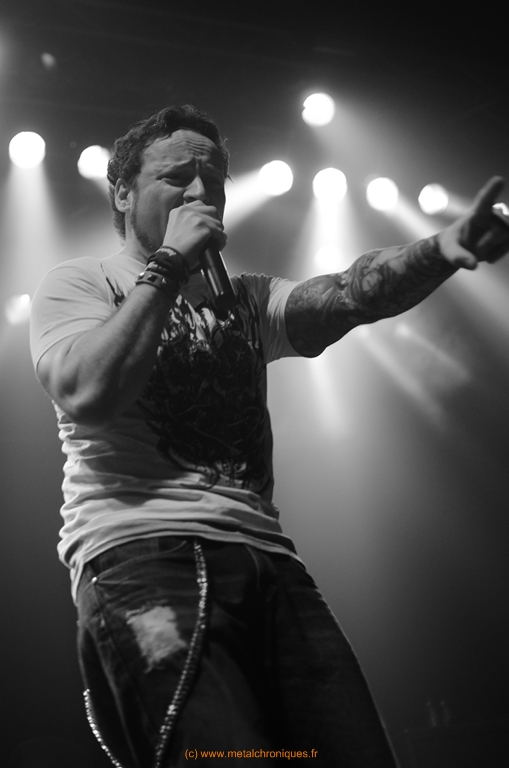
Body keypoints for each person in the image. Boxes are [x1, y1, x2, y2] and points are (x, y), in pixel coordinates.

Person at [29, 105, 509, 768]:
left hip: (270, 564)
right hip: (144, 557)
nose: (201, 194)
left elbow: (350, 291)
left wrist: (442, 248)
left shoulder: (247, 299)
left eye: (214, 180)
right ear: (122, 193)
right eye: (177, 178)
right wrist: (168, 264)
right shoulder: (81, 282)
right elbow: (86, 391)